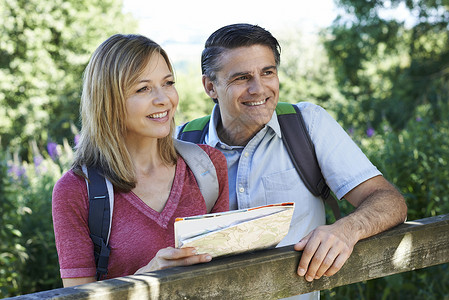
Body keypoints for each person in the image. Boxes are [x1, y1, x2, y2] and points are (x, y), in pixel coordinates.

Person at [177, 23, 407, 299]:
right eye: (241, 78)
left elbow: (389, 201)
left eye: (268, 72)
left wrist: (347, 229)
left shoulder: (307, 125)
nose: (259, 89)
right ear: (210, 86)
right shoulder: (184, 143)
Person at [52, 34, 229, 288]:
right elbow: (79, 296)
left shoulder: (207, 166)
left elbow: (226, 275)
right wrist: (148, 277)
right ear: (108, 101)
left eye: (168, 83)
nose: (163, 99)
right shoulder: (76, 191)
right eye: (143, 88)